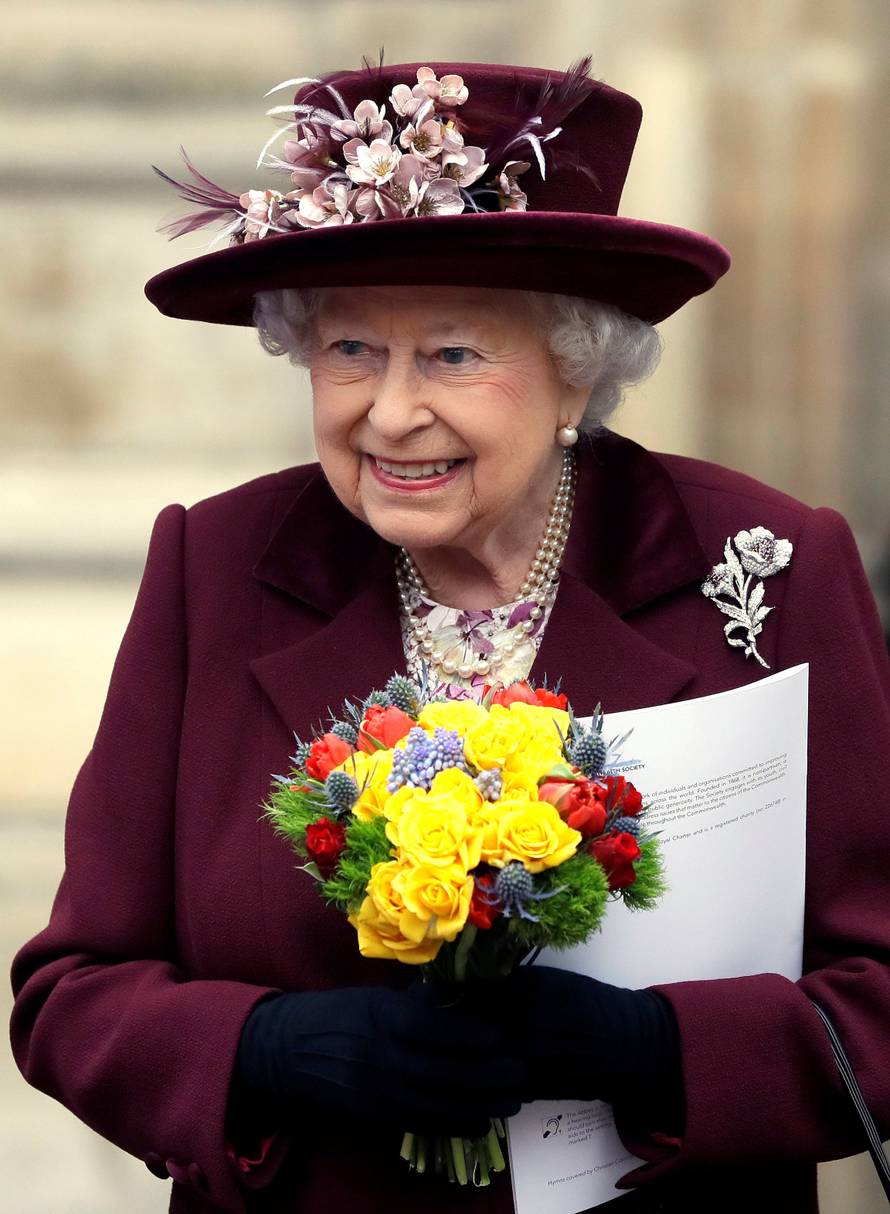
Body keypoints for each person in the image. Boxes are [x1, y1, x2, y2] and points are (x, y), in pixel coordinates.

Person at [9, 57, 890, 1214]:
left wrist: (654, 1050)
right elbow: (71, 995)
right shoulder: (213, 566)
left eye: (453, 353)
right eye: (349, 349)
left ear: (574, 373)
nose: (388, 411)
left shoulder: (763, 566)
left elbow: (876, 994)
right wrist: (263, 1049)